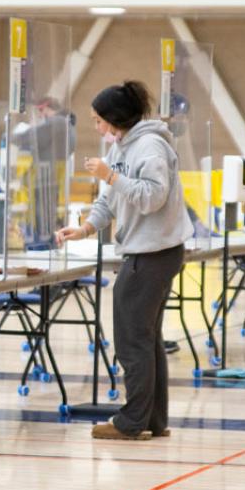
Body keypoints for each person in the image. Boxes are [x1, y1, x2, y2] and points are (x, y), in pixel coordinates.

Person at [55, 81, 192, 441]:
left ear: (115, 119)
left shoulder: (149, 147)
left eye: (98, 121)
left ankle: (132, 421)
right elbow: (111, 199)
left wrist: (111, 175)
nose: (96, 127)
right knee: (147, 339)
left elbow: (152, 198)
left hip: (153, 253)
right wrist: (84, 228)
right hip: (145, 250)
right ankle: (153, 420)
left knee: (132, 339)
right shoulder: (122, 146)